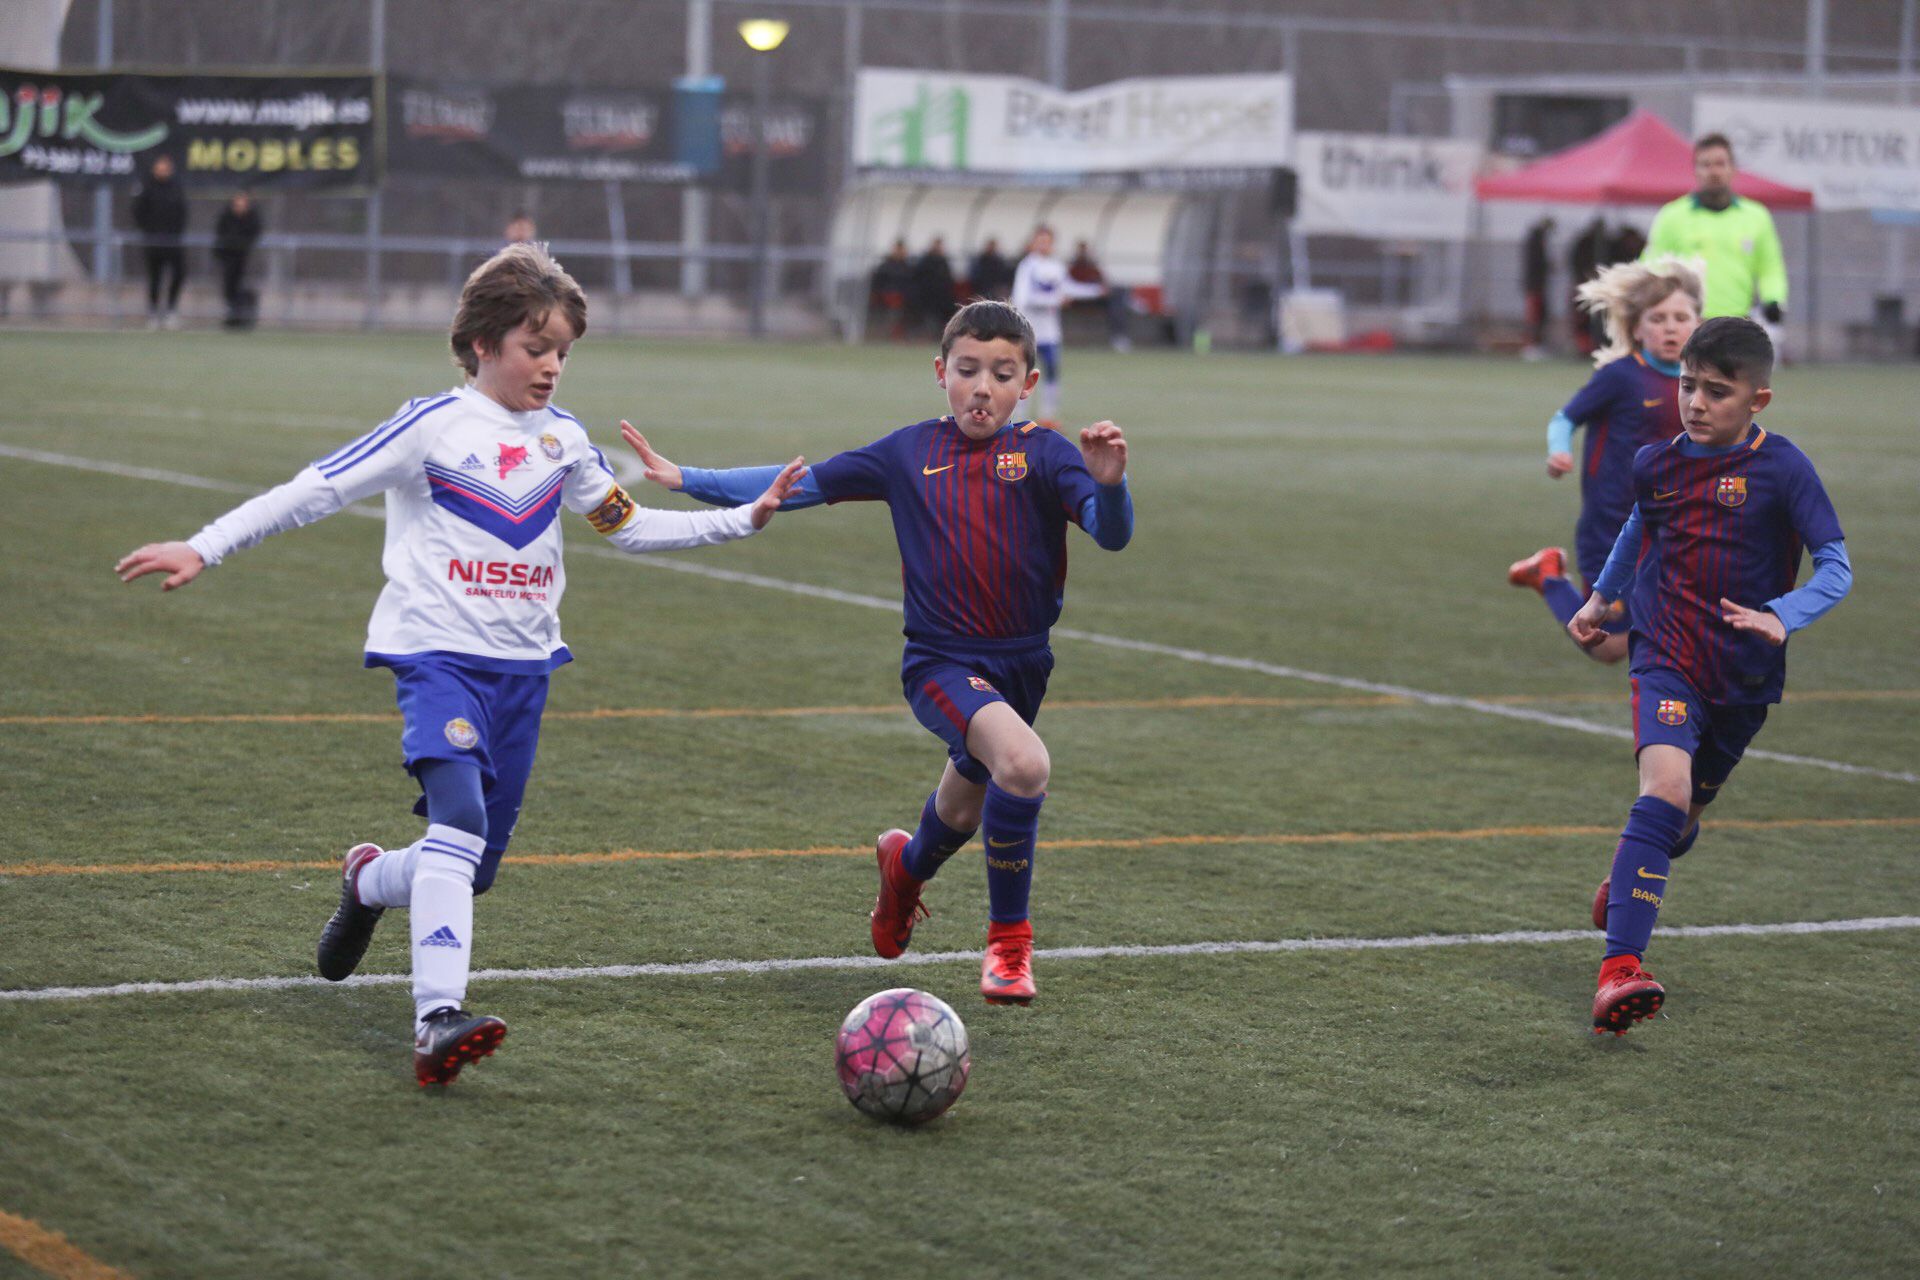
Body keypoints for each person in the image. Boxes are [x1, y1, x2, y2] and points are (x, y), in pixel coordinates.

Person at [114, 243, 805, 1086]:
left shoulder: (563, 441)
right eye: (534, 348)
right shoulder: (431, 427)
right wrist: (206, 545)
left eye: (562, 351)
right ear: (482, 344)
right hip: (437, 656)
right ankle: (437, 1020)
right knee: (459, 822)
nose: (551, 367)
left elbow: (627, 526)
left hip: (524, 673)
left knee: (467, 867)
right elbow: (316, 488)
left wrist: (741, 520)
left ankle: (369, 882)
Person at [623, 300, 1133, 1006]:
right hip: (941, 665)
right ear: (940, 373)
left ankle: (904, 870)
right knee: (1022, 764)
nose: (982, 387)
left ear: (1029, 383)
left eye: (1002, 373)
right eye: (967, 370)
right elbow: (798, 483)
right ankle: (1008, 947)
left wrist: (1111, 485)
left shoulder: (1045, 455)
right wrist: (690, 478)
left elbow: (1110, 533)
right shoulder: (907, 453)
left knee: (961, 811)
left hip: (1024, 667)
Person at [1567, 317, 1850, 1036]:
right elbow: (1639, 529)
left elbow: (1837, 568)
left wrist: (1783, 615)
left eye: (1717, 392)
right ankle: (1619, 969)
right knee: (1663, 792)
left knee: (1682, 822)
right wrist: (1601, 598)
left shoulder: (1785, 469)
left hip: (1746, 679)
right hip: (1666, 655)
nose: (1695, 403)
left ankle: (1630, 879)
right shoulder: (1657, 463)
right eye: (1689, 385)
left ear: (1759, 400)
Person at [1508, 258, 1704, 666]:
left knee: (1681, 630)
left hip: (1672, 525)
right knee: (1607, 646)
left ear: (1698, 324)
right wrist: (1558, 450)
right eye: (1658, 318)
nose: (1670, 327)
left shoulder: (1702, 382)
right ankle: (1547, 575)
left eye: (1681, 317)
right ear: (1636, 328)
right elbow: (1566, 417)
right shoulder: (1621, 376)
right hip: (1612, 524)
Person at [1643, 134, 1788, 324]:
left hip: (1738, 322)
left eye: (1720, 164)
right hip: (1688, 322)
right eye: (1706, 165)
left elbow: (1770, 267)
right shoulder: (1672, 216)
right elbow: (1653, 266)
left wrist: (1774, 299)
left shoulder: (1757, 216)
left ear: (1733, 169)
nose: (1714, 171)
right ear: (1695, 171)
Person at [1012, 225, 1106, 429]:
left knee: (1052, 372)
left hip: (1050, 333)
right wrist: (1054, 300)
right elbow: (1023, 299)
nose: (1044, 245)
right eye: (1040, 240)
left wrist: (1095, 290)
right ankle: (1019, 418)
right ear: (1033, 242)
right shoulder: (1027, 267)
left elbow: (1069, 288)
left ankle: (1048, 416)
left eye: (1048, 241)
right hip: (1027, 332)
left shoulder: (1056, 266)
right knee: (1023, 374)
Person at [131, 155, 188, 329]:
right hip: (153, 241)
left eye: (166, 167)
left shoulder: (176, 187)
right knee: (155, 277)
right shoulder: (147, 187)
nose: (163, 171)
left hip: (173, 240)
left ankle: (171, 310)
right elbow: (138, 211)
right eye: (160, 167)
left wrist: (177, 232)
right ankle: (153, 313)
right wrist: (148, 231)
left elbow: (183, 212)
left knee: (179, 273)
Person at [212, 191, 262, 330]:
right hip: (227, 256)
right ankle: (232, 315)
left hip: (243, 257)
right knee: (229, 286)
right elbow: (219, 234)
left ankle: (241, 316)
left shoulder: (251, 218)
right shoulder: (226, 217)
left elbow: (254, 233)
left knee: (240, 287)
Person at [1520, 216, 1555, 358]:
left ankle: (1536, 344)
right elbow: (1536, 264)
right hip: (1534, 285)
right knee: (1534, 317)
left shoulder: (1535, 241)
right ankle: (1531, 345)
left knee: (1539, 316)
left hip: (1537, 284)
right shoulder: (1535, 242)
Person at [910, 236, 957, 335]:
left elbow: (948, 278)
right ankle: (928, 332)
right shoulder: (926, 261)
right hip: (927, 294)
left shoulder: (943, 261)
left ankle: (940, 332)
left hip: (942, 295)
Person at [870, 239, 912, 341]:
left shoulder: (906, 266)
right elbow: (878, 283)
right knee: (891, 313)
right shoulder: (886, 266)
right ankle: (884, 334)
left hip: (903, 298)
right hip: (887, 297)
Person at [967, 237, 1014, 302]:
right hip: (982, 290)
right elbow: (975, 277)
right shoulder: (980, 260)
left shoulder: (998, 261)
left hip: (994, 291)